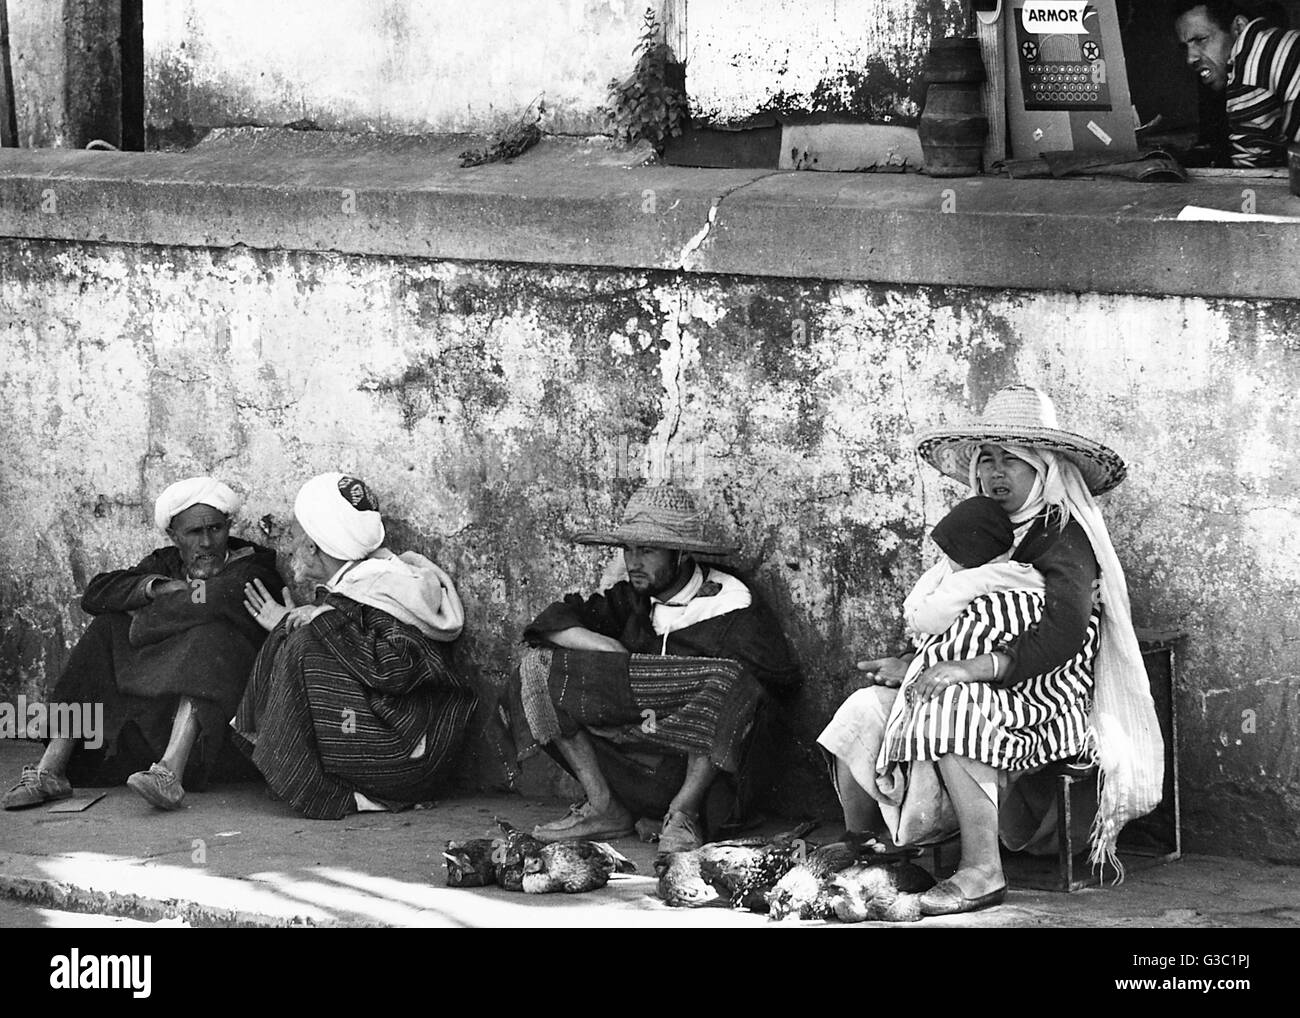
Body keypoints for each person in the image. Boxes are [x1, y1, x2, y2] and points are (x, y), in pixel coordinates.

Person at [819, 385, 1164, 916]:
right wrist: (917, 663)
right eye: (988, 460)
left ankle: (983, 870)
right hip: (975, 680)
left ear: (1044, 469)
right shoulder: (986, 529)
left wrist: (968, 669)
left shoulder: (1062, 535)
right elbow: (957, 617)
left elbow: (1062, 635)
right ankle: (870, 848)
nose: (995, 474)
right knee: (863, 710)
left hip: (1045, 696)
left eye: (1012, 462)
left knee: (953, 706)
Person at [507, 483, 801, 853]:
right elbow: (553, 622)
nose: (633, 562)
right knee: (536, 668)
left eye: (646, 550)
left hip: (708, 780)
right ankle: (603, 806)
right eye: (628, 549)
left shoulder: (731, 608)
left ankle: (683, 815)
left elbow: (766, 700)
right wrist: (607, 647)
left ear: (679, 553)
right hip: (634, 763)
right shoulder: (636, 598)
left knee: (729, 680)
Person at [2, 477, 284, 812]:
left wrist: (143, 621)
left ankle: (169, 773)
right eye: (194, 532)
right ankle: (51, 770)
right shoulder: (166, 563)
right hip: (153, 713)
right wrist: (157, 588)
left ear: (229, 527)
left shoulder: (254, 567)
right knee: (108, 626)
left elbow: (213, 598)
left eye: (216, 529)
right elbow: (97, 593)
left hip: (218, 731)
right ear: (173, 536)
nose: (207, 542)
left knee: (212, 634)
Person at [234, 472, 477, 820]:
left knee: (302, 645)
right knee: (298, 637)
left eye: (299, 536)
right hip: (407, 752)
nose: (293, 545)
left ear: (315, 548)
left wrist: (317, 622)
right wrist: (297, 622)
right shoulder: (363, 584)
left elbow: (396, 669)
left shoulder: (381, 590)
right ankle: (358, 790)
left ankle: (348, 794)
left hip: (410, 753)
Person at [1174, 1, 1300, 167]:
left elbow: (1252, 167)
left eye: (1201, 39)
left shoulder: (1249, 74)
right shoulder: (1276, 41)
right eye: (1185, 47)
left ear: (1239, 27)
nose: (1190, 58)